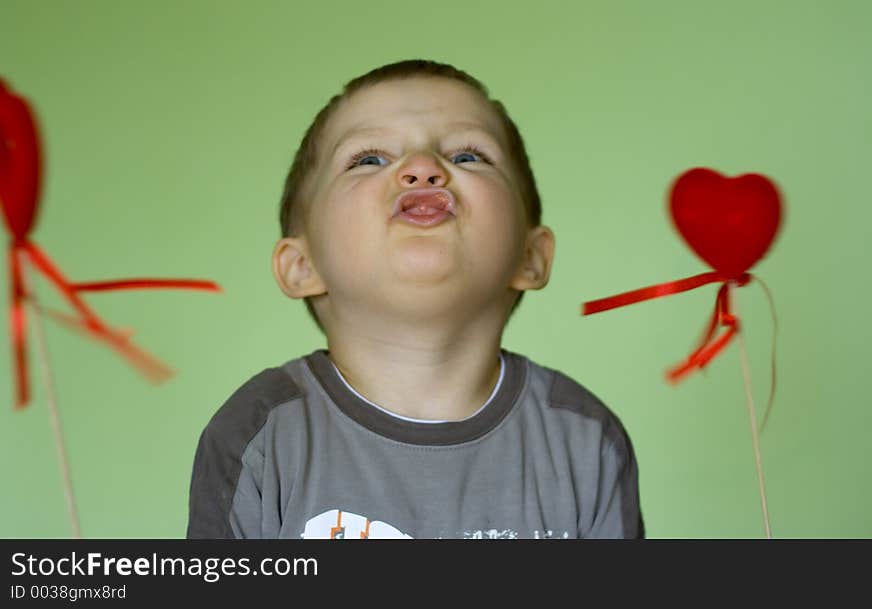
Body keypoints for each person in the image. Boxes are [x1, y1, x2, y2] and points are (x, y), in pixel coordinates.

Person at [186, 59, 644, 539]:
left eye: (468, 156)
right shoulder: (260, 433)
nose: (423, 168)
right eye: (369, 158)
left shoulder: (585, 442)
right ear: (303, 266)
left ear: (530, 257)